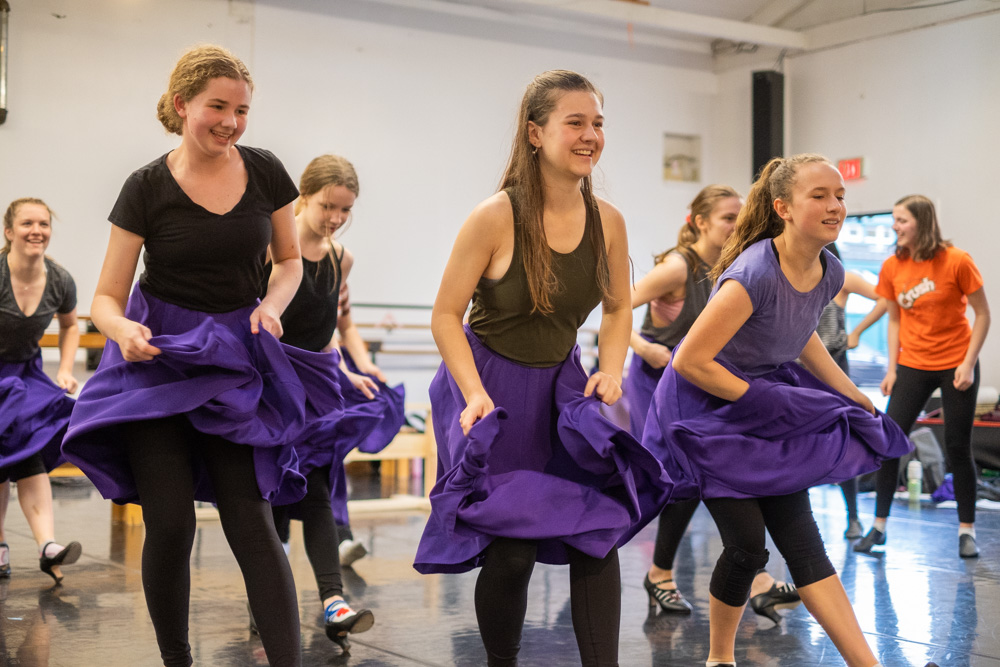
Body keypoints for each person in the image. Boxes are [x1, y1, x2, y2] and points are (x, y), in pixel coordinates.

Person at [62, 45, 342, 667]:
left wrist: (271, 305)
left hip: (235, 357)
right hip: (160, 356)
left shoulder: (266, 171)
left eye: (242, 110)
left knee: (251, 517)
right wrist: (122, 329)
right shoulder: (145, 187)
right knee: (170, 522)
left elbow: (291, 262)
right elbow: (105, 298)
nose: (231, 121)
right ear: (182, 103)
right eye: (217, 106)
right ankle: (177, 659)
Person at [413, 70, 670, 667]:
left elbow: (617, 308)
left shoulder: (608, 219)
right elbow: (446, 316)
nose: (590, 135)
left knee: (594, 532)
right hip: (488, 391)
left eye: (598, 123)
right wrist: (473, 394)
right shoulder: (495, 216)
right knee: (512, 551)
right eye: (575, 123)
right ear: (536, 133)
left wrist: (609, 369)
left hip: (560, 388)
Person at [642, 153, 915, 667]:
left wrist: (847, 389)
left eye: (840, 196)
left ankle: (868, 665)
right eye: (821, 196)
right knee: (747, 545)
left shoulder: (828, 270)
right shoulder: (752, 274)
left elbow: (801, 331)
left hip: (759, 398)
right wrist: (764, 401)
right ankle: (720, 657)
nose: (836, 206)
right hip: (704, 407)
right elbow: (692, 362)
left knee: (804, 542)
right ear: (783, 208)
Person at [628, 186, 800, 623]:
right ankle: (663, 574)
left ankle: (752, 579)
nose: (736, 225)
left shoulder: (732, 264)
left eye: (739, 217)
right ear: (700, 222)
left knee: (724, 473)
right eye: (727, 217)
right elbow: (612, 307)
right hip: (658, 384)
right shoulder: (676, 268)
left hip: (698, 383)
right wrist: (643, 347)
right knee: (686, 481)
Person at [262, 154, 406, 649]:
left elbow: (336, 328)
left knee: (319, 486)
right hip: (272, 383)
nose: (336, 218)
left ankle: (333, 600)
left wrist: (356, 366)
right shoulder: (271, 247)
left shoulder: (341, 258)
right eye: (328, 206)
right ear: (303, 198)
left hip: (317, 386)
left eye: (345, 210)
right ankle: (269, 596)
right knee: (274, 492)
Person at [854, 194, 991, 559]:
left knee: (959, 447)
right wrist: (891, 368)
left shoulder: (957, 261)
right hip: (913, 364)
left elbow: (983, 315)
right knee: (888, 442)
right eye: (895, 220)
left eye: (902, 220)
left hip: (955, 362)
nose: (895, 226)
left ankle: (966, 531)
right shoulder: (893, 266)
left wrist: (967, 362)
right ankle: (878, 527)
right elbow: (895, 317)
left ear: (922, 222)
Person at [0, 197, 83, 584]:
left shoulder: (60, 280)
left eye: (44, 224)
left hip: (27, 374)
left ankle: (47, 545)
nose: (37, 231)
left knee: (29, 445)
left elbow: (70, 326)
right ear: (9, 231)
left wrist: (65, 370)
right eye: (28, 223)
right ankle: (0, 545)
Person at [815, 243, 881, 540]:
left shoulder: (842, 278)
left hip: (836, 369)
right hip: (800, 371)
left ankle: (853, 516)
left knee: (844, 442)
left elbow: (886, 299)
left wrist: (857, 333)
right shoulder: (797, 277)